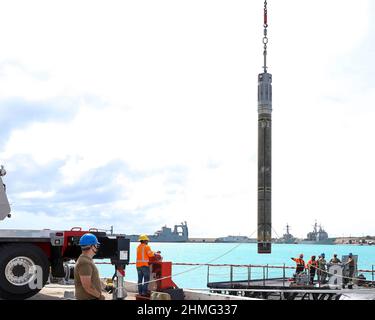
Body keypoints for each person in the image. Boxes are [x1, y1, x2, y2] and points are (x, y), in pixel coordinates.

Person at [74, 233, 105, 300]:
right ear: (92, 246)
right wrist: (100, 296)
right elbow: (87, 287)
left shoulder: (86, 260)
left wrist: (104, 286)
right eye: (96, 245)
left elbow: (91, 280)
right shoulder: (85, 263)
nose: (97, 247)